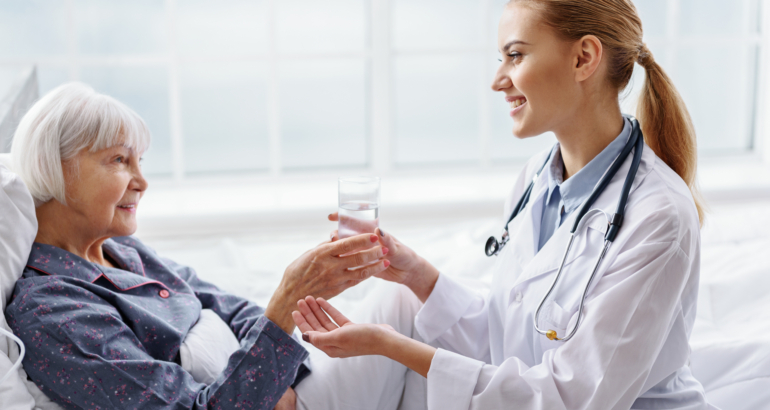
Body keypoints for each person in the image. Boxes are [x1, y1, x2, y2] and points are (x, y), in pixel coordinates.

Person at [292, 0, 718, 409]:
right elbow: (511, 340)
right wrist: (418, 276)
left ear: (584, 58)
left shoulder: (660, 217)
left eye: (515, 56)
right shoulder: (536, 179)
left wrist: (391, 346)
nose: (499, 79)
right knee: (403, 307)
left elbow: (570, 399)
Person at [3, 82, 389, 409]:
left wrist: (284, 377)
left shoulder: (123, 252)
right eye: (120, 159)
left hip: (281, 388)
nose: (142, 181)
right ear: (55, 166)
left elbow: (227, 305)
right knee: (406, 325)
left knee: (404, 313)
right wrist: (289, 297)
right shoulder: (54, 313)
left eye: (140, 161)